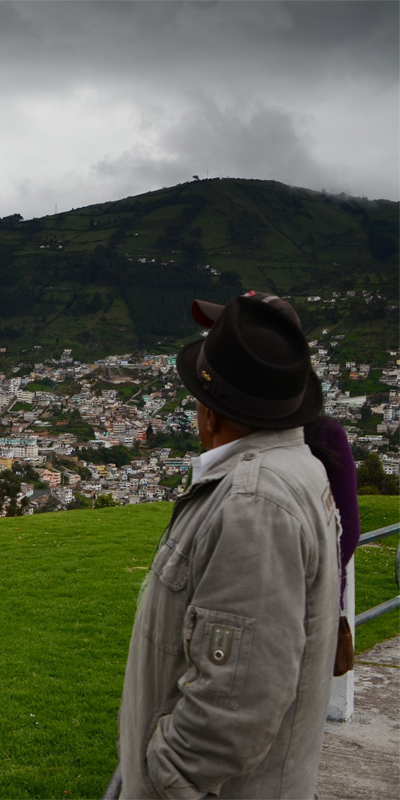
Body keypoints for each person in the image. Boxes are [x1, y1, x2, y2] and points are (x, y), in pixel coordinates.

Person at [110, 292, 345, 799]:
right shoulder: (299, 469)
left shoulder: (255, 505)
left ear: (211, 412)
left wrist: (160, 776)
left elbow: (236, 701)